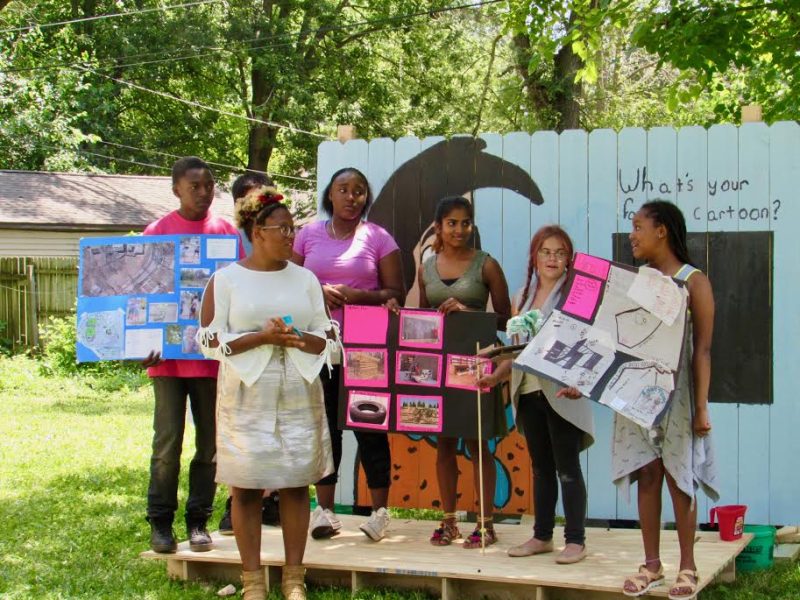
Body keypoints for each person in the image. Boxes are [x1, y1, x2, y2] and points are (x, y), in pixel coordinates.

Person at [197, 188, 336, 600]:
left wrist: (299, 338)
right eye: (282, 229)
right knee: (246, 486)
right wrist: (260, 337)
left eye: (293, 228)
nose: (291, 236)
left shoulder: (306, 279)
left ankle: (294, 578)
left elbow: (329, 336)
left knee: (295, 483)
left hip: (297, 389)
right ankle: (252, 581)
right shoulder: (226, 280)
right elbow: (208, 340)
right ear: (257, 232)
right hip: (246, 393)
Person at [292, 167, 404, 542]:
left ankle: (380, 514)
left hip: (367, 348)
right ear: (330, 194)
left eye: (359, 191)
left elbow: (396, 293)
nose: (351, 197)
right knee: (326, 428)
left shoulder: (379, 238)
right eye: (343, 189)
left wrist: (358, 296)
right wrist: (318, 292)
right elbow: (287, 283)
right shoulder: (307, 235)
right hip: (318, 348)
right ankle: (324, 512)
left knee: (370, 426)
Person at [141, 156, 246, 554]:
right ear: (176, 190)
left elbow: (238, 292)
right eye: (194, 186)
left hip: (211, 361)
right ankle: (160, 523)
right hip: (167, 362)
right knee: (167, 444)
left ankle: (198, 521)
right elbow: (142, 297)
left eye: (209, 186)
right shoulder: (157, 232)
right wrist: (140, 347)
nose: (203, 192)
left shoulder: (226, 233)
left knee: (210, 445)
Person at [614, 201, 717, 599]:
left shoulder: (694, 282)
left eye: (638, 226)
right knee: (647, 473)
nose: (632, 235)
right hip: (635, 395)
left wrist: (701, 408)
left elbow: (702, 351)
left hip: (679, 397)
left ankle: (687, 566)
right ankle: (651, 564)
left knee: (679, 476)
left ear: (662, 231)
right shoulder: (636, 281)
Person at [398, 195, 511, 549]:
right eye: (452, 223)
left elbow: (506, 321)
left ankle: (486, 524)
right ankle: (448, 522)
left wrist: (468, 311)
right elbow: (421, 322)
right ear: (438, 227)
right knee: (444, 445)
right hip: (436, 369)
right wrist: (395, 315)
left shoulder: (486, 265)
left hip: (476, 365)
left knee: (478, 444)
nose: (459, 229)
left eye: (465, 223)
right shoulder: (426, 268)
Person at [477, 225, 594, 564]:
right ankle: (542, 536)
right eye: (546, 251)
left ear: (569, 259)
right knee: (541, 468)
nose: (552, 258)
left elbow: (589, 345)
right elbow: (518, 351)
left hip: (561, 391)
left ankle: (576, 540)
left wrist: (581, 381)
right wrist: (496, 376)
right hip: (527, 390)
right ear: (535, 257)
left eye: (560, 252)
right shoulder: (522, 296)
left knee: (567, 468)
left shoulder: (577, 296)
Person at [217, 171, 281, 535]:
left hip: (275, 352)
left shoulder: (282, 240)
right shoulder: (225, 240)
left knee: (273, 425)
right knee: (239, 430)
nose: (261, 203)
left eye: (267, 196)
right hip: (238, 353)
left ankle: (270, 498)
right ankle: (237, 501)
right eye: (254, 198)